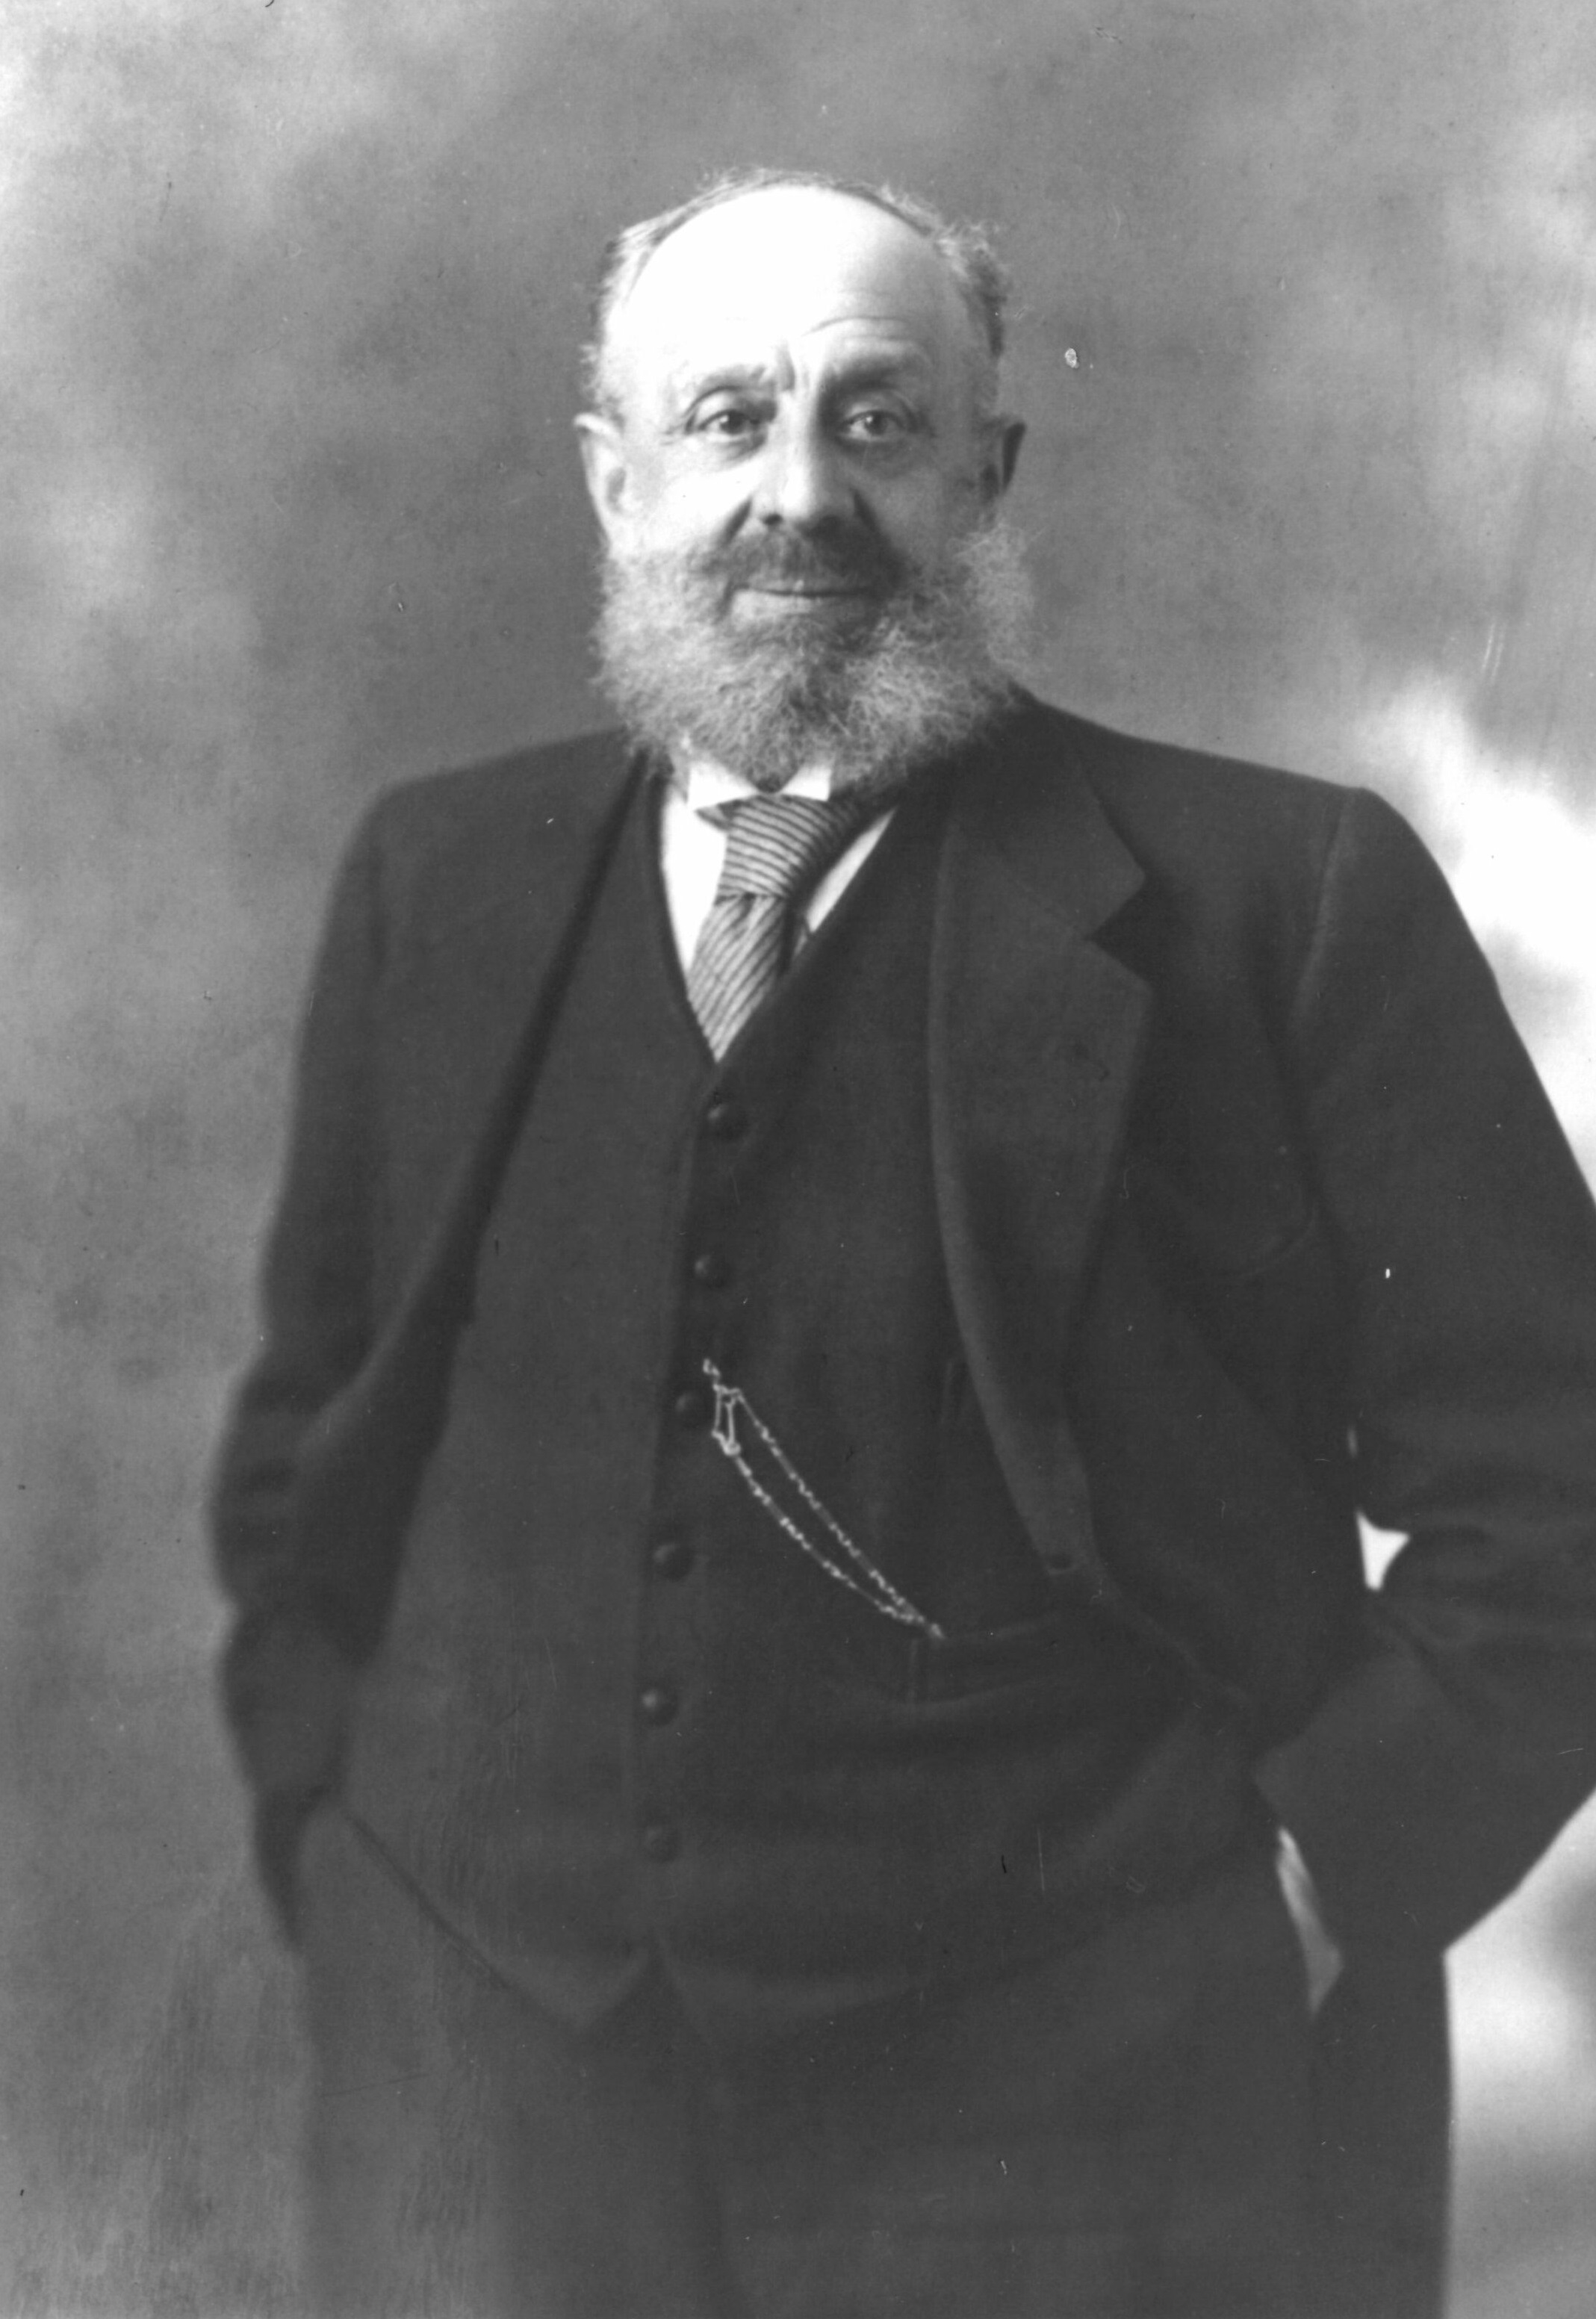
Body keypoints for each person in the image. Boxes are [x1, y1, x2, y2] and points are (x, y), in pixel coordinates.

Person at [211, 168, 1596, 2319]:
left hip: (1089, 2105)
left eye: (874, 420)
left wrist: (1316, 1891)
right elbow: (319, 1431)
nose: (799, 493)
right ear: (610, 479)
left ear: (982, 469)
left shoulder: (1280, 896)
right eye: (726, 417)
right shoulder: (439, 880)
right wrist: (338, 1822)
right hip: (491, 2093)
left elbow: (1558, 1487)